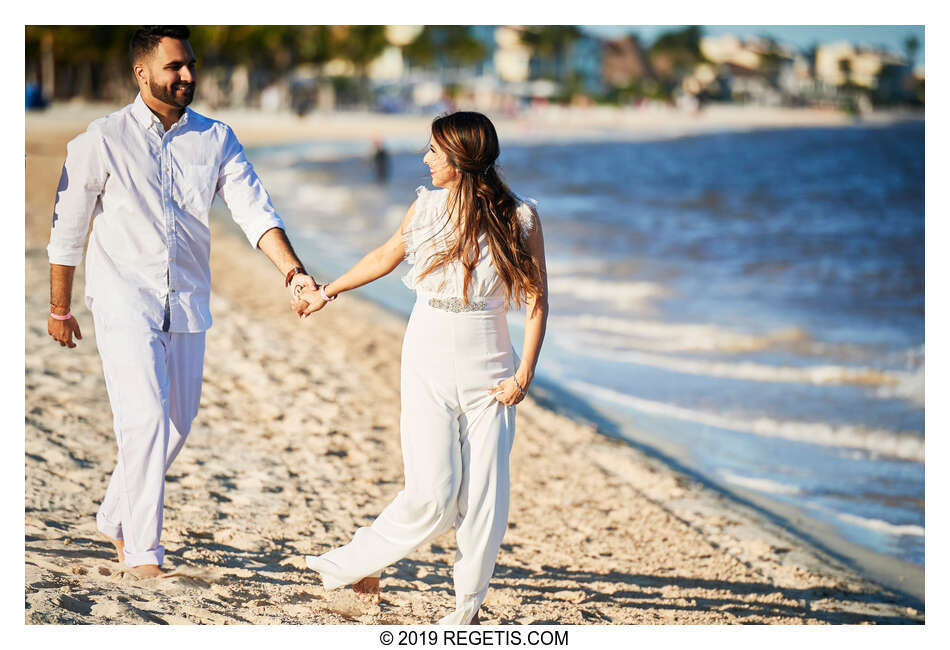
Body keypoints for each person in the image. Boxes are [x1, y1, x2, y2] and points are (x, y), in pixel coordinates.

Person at [46, 26, 318, 579]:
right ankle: (144, 553)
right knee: (144, 417)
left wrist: (292, 271)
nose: (188, 75)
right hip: (124, 294)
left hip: (188, 296)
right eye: (174, 67)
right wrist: (59, 307)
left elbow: (254, 210)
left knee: (176, 423)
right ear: (142, 73)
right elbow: (67, 230)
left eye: (190, 64)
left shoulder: (215, 138)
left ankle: (114, 516)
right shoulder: (102, 139)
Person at [297, 111, 549, 624]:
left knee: (484, 496)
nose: (425, 158)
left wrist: (524, 375)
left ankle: (466, 609)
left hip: (491, 368)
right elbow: (386, 254)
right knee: (433, 495)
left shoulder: (520, 217)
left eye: (435, 150)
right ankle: (354, 563)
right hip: (427, 354)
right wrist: (328, 290)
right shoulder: (427, 208)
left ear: (460, 158)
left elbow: (539, 299)